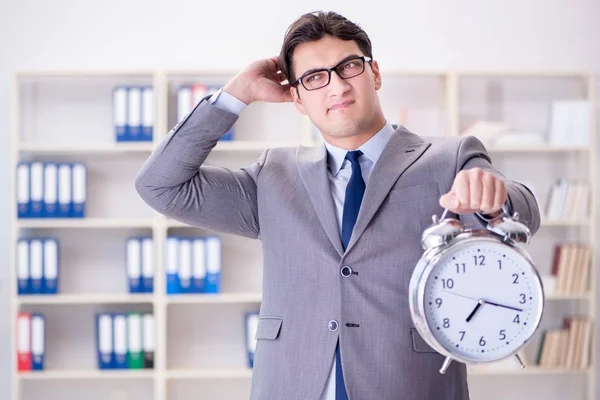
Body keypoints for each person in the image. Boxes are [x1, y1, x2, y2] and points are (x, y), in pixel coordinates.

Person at [135, 10, 540, 400]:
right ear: (296, 98)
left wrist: (494, 195)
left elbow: (524, 211)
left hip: (408, 386)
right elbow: (160, 185)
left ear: (374, 73)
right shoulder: (273, 175)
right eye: (314, 78)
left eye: (349, 66)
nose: (337, 86)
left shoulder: (448, 157)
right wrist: (235, 96)